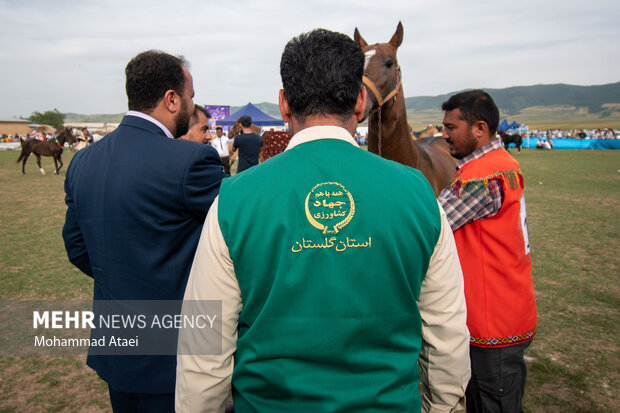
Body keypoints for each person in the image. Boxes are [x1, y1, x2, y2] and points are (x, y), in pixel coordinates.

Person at [176, 28, 470, 413]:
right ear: (361, 101)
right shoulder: (420, 196)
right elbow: (446, 334)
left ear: (283, 105)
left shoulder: (233, 201)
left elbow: (203, 352)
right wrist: (442, 407)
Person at [62, 50, 226, 412]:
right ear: (171, 99)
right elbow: (235, 237)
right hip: (175, 352)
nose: (191, 104)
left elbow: (76, 246)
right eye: (191, 96)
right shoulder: (191, 161)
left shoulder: (83, 161)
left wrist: (123, 278)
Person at [437, 90, 537, 413]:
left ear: (479, 129)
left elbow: (430, 224)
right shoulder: (502, 163)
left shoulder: (482, 176)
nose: (443, 135)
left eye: (451, 128)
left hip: (492, 322)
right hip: (506, 310)